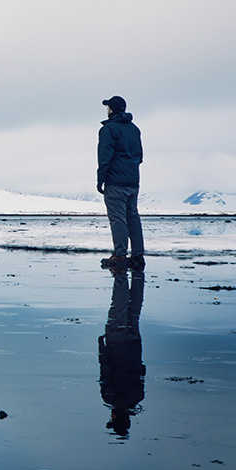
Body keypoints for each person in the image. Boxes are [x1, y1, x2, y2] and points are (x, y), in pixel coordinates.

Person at [97, 95, 144, 270]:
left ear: (112, 110)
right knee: (133, 217)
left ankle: (120, 255)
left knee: (118, 219)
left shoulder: (108, 130)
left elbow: (104, 157)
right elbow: (140, 156)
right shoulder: (134, 129)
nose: (106, 110)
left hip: (115, 182)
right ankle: (138, 256)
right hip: (133, 181)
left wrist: (101, 179)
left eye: (108, 107)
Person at [98, 268, 146, 437]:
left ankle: (138, 273)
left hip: (134, 345)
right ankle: (121, 272)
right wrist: (101, 347)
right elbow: (105, 369)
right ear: (115, 417)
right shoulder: (109, 397)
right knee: (118, 304)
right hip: (117, 342)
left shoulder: (137, 398)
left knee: (135, 309)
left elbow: (142, 371)